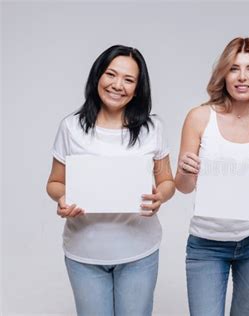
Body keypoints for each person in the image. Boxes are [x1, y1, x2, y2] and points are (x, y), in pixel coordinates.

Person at [46, 45, 175, 316]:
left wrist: (160, 196)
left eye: (129, 80)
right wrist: (62, 197)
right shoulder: (71, 127)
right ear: (97, 77)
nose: (118, 85)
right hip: (84, 254)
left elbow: (167, 181)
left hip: (139, 252)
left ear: (138, 88)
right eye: (111, 75)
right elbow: (55, 182)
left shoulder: (153, 129)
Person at [175, 37, 249, 316]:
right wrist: (187, 171)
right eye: (234, 68)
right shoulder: (199, 118)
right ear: (223, 74)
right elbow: (184, 187)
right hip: (206, 244)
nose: (242, 77)